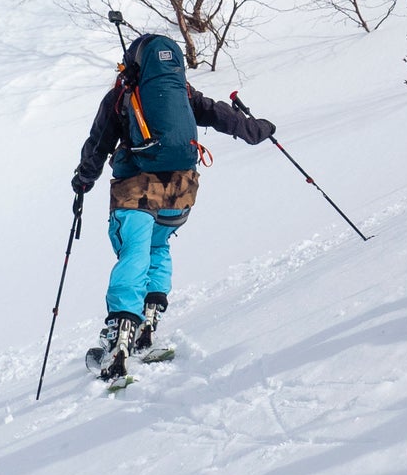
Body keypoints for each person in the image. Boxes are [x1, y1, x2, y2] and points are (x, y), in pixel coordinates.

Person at [70, 32, 275, 383]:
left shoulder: (121, 94)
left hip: (137, 188)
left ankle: (120, 339)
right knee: (158, 246)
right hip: (181, 190)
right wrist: (255, 130)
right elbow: (218, 114)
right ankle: (148, 326)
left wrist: (83, 181)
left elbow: (98, 143)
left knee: (134, 252)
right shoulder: (183, 92)